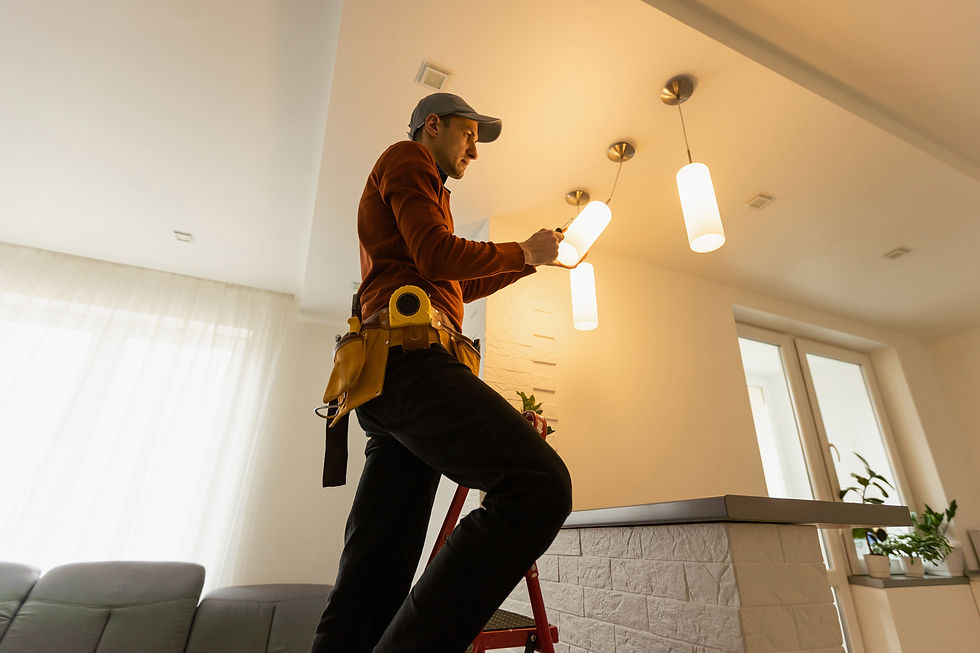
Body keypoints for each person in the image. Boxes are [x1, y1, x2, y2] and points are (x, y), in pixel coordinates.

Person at [312, 93, 573, 652]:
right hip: (409, 363)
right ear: (434, 125)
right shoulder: (409, 159)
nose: (474, 150)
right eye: (468, 134)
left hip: (389, 378)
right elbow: (436, 255)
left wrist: (528, 261)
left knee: (377, 572)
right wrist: (522, 248)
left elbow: (451, 280)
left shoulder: (426, 187)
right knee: (538, 486)